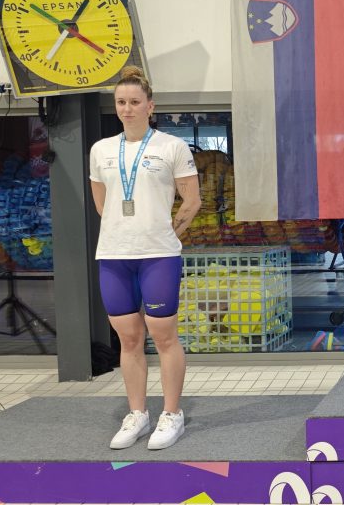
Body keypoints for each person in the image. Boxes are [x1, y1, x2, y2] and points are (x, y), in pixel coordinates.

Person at [89, 66, 200, 449]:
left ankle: (172, 414)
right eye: (121, 102)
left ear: (150, 106)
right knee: (129, 338)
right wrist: (126, 233)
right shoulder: (101, 150)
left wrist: (166, 235)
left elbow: (192, 200)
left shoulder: (172, 147)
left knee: (163, 336)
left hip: (159, 257)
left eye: (135, 102)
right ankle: (138, 413)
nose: (127, 108)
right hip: (114, 256)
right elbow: (102, 205)